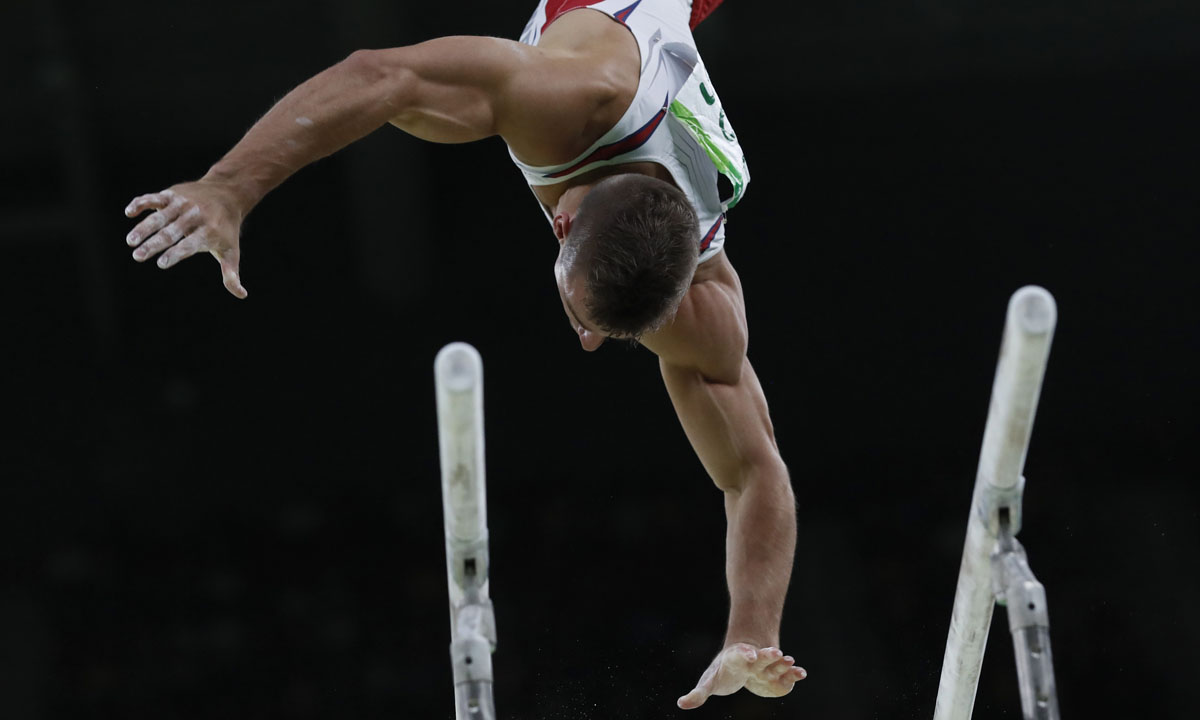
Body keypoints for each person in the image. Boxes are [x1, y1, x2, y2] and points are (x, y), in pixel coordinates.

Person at [122, 0, 804, 709]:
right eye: (582, 314)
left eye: (608, 332)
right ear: (561, 222)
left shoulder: (702, 293)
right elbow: (380, 75)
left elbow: (756, 472)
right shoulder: (554, 99)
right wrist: (231, 187)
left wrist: (748, 636)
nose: (587, 340)